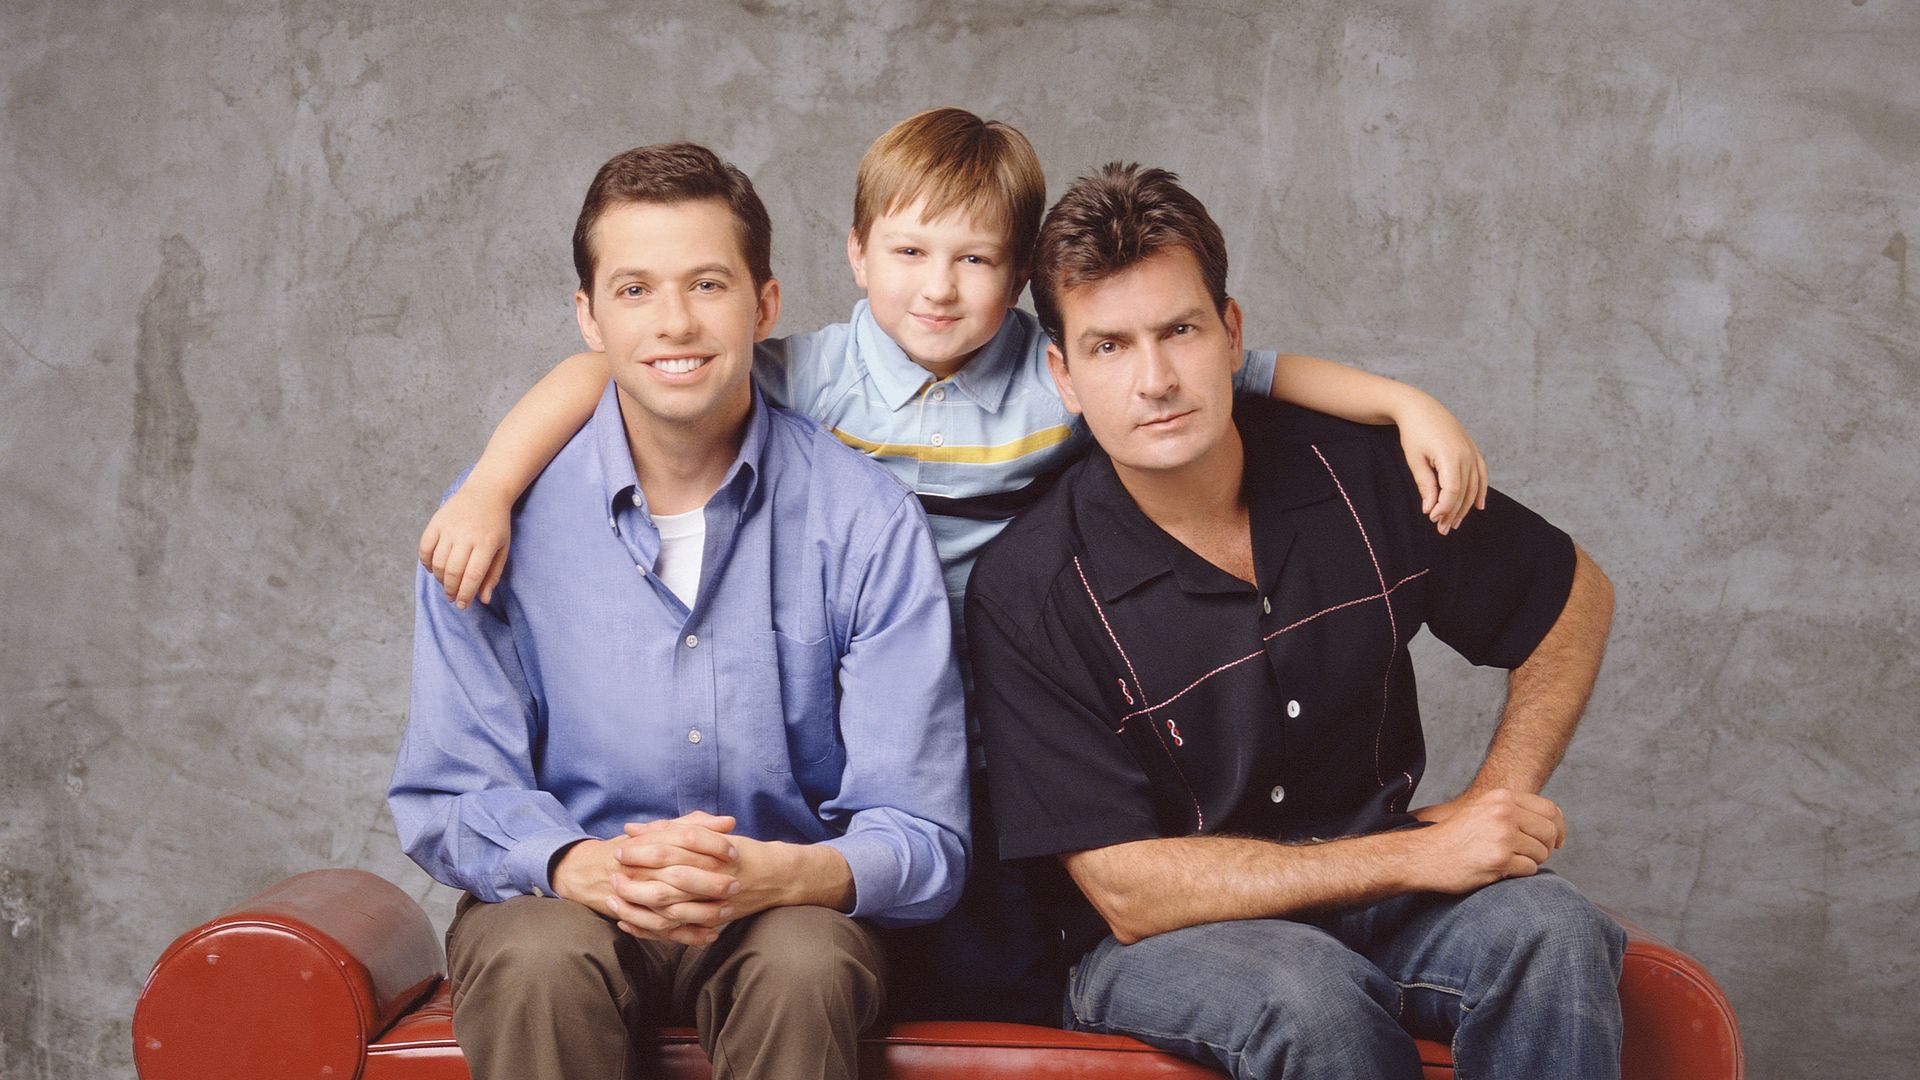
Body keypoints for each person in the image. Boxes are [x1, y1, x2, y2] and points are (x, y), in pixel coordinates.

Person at [413, 107, 1489, 1023]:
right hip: (868, 720)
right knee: (876, 924)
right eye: (911, 254)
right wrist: (491, 487)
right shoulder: (808, 372)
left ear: (1020, 278)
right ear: (855, 257)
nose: (939, 290)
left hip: (1009, 725)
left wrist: (1402, 402)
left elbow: (1243, 369)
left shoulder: (1061, 373)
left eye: (975, 261)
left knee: (987, 949)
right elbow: (615, 366)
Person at [966, 162, 1626, 1080]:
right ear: (1064, 376)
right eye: (1110, 347)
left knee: (1555, 929)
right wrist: (1413, 857)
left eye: (1180, 331)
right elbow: (1127, 891)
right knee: (1310, 995)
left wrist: (1494, 798)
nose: (1154, 379)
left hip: (1387, 893)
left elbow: (1574, 593)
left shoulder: (1358, 473)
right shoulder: (1029, 589)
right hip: (1152, 947)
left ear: (1231, 334)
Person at [389, 142, 969, 1080]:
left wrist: (777, 876)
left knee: (805, 960)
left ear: (765, 304)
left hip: (785, 914)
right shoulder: (486, 521)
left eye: (707, 283)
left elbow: (924, 834)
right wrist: (579, 865)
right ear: (587, 316)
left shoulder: (864, 519)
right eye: (633, 290)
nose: (674, 322)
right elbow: (450, 793)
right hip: (560, 903)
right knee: (534, 957)